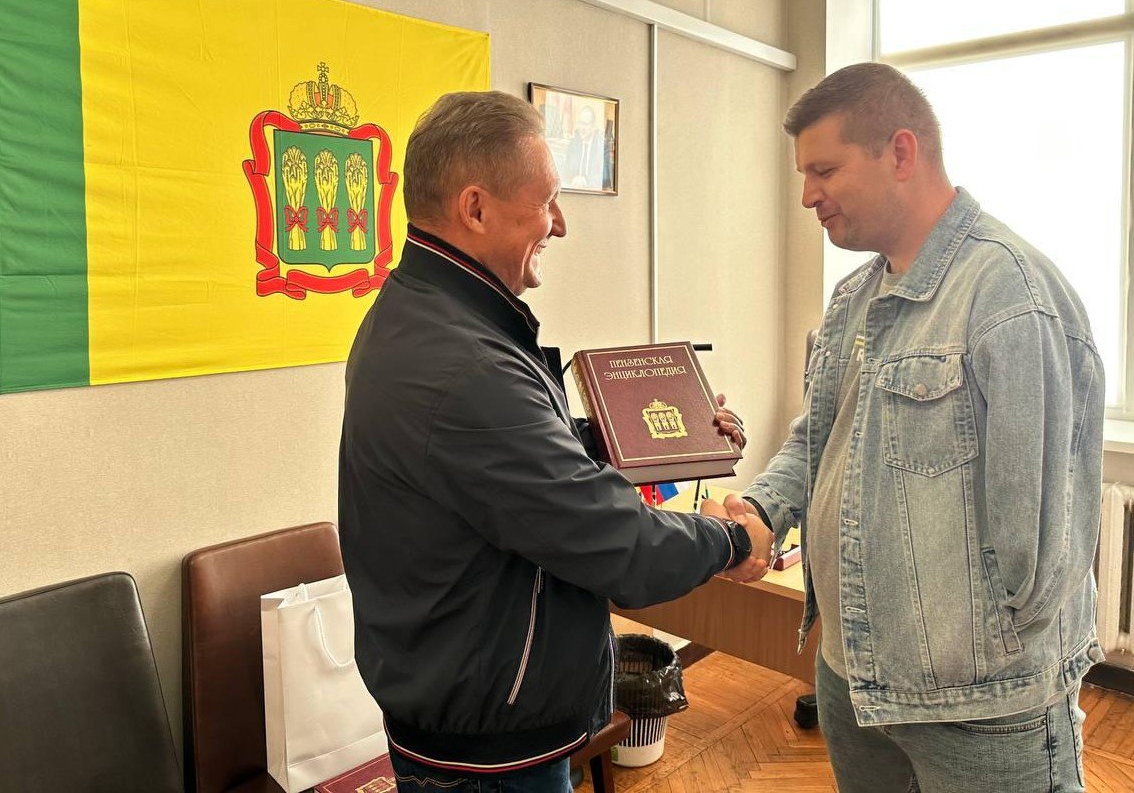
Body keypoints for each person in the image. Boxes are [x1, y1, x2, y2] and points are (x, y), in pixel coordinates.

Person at [338, 90, 774, 793]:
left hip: (470, 714)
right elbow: (618, 544)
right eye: (547, 201)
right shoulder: (465, 366)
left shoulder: (422, 317)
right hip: (489, 754)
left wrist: (642, 435)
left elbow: (513, 470)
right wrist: (731, 541)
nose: (561, 224)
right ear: (475, 209)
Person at [715, 62, 1105, 792]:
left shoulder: (1010, 295)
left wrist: (977, 654)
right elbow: (818, 435)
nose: (807, 196)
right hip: (853, 677)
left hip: (981, 712)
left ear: (900, 152)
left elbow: (1046, 548)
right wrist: (763, 508)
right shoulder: (854, 295)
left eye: (823, 169)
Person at [564, 104, 605, 189]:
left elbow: (605, 177)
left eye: (585, 124)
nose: (582, 128)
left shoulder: (601, 146)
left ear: (593, 126)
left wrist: (585, 181)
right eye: (580, 123)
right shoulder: (574, 143)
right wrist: (573, 179)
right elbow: (565, 170)